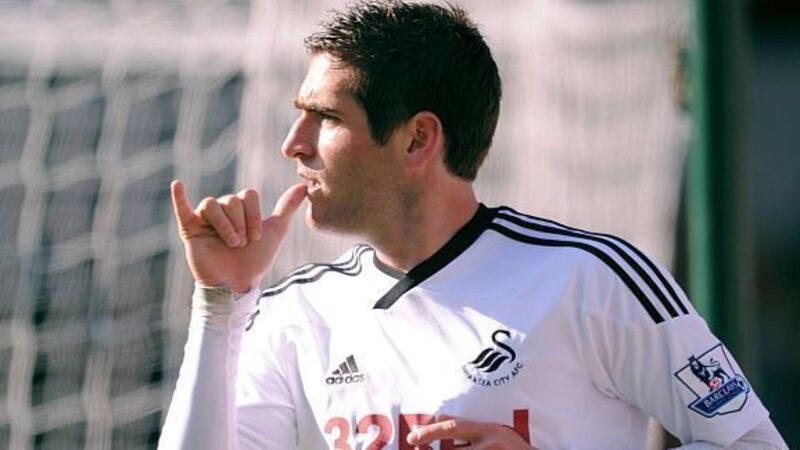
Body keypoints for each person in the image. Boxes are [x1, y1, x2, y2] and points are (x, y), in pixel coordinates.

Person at [158, 1, 788, 449]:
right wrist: (221, 303)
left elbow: (753, 443)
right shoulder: (296, 312)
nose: (293, 144)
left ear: (417, 139)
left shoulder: (589, 278)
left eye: (326, 117)